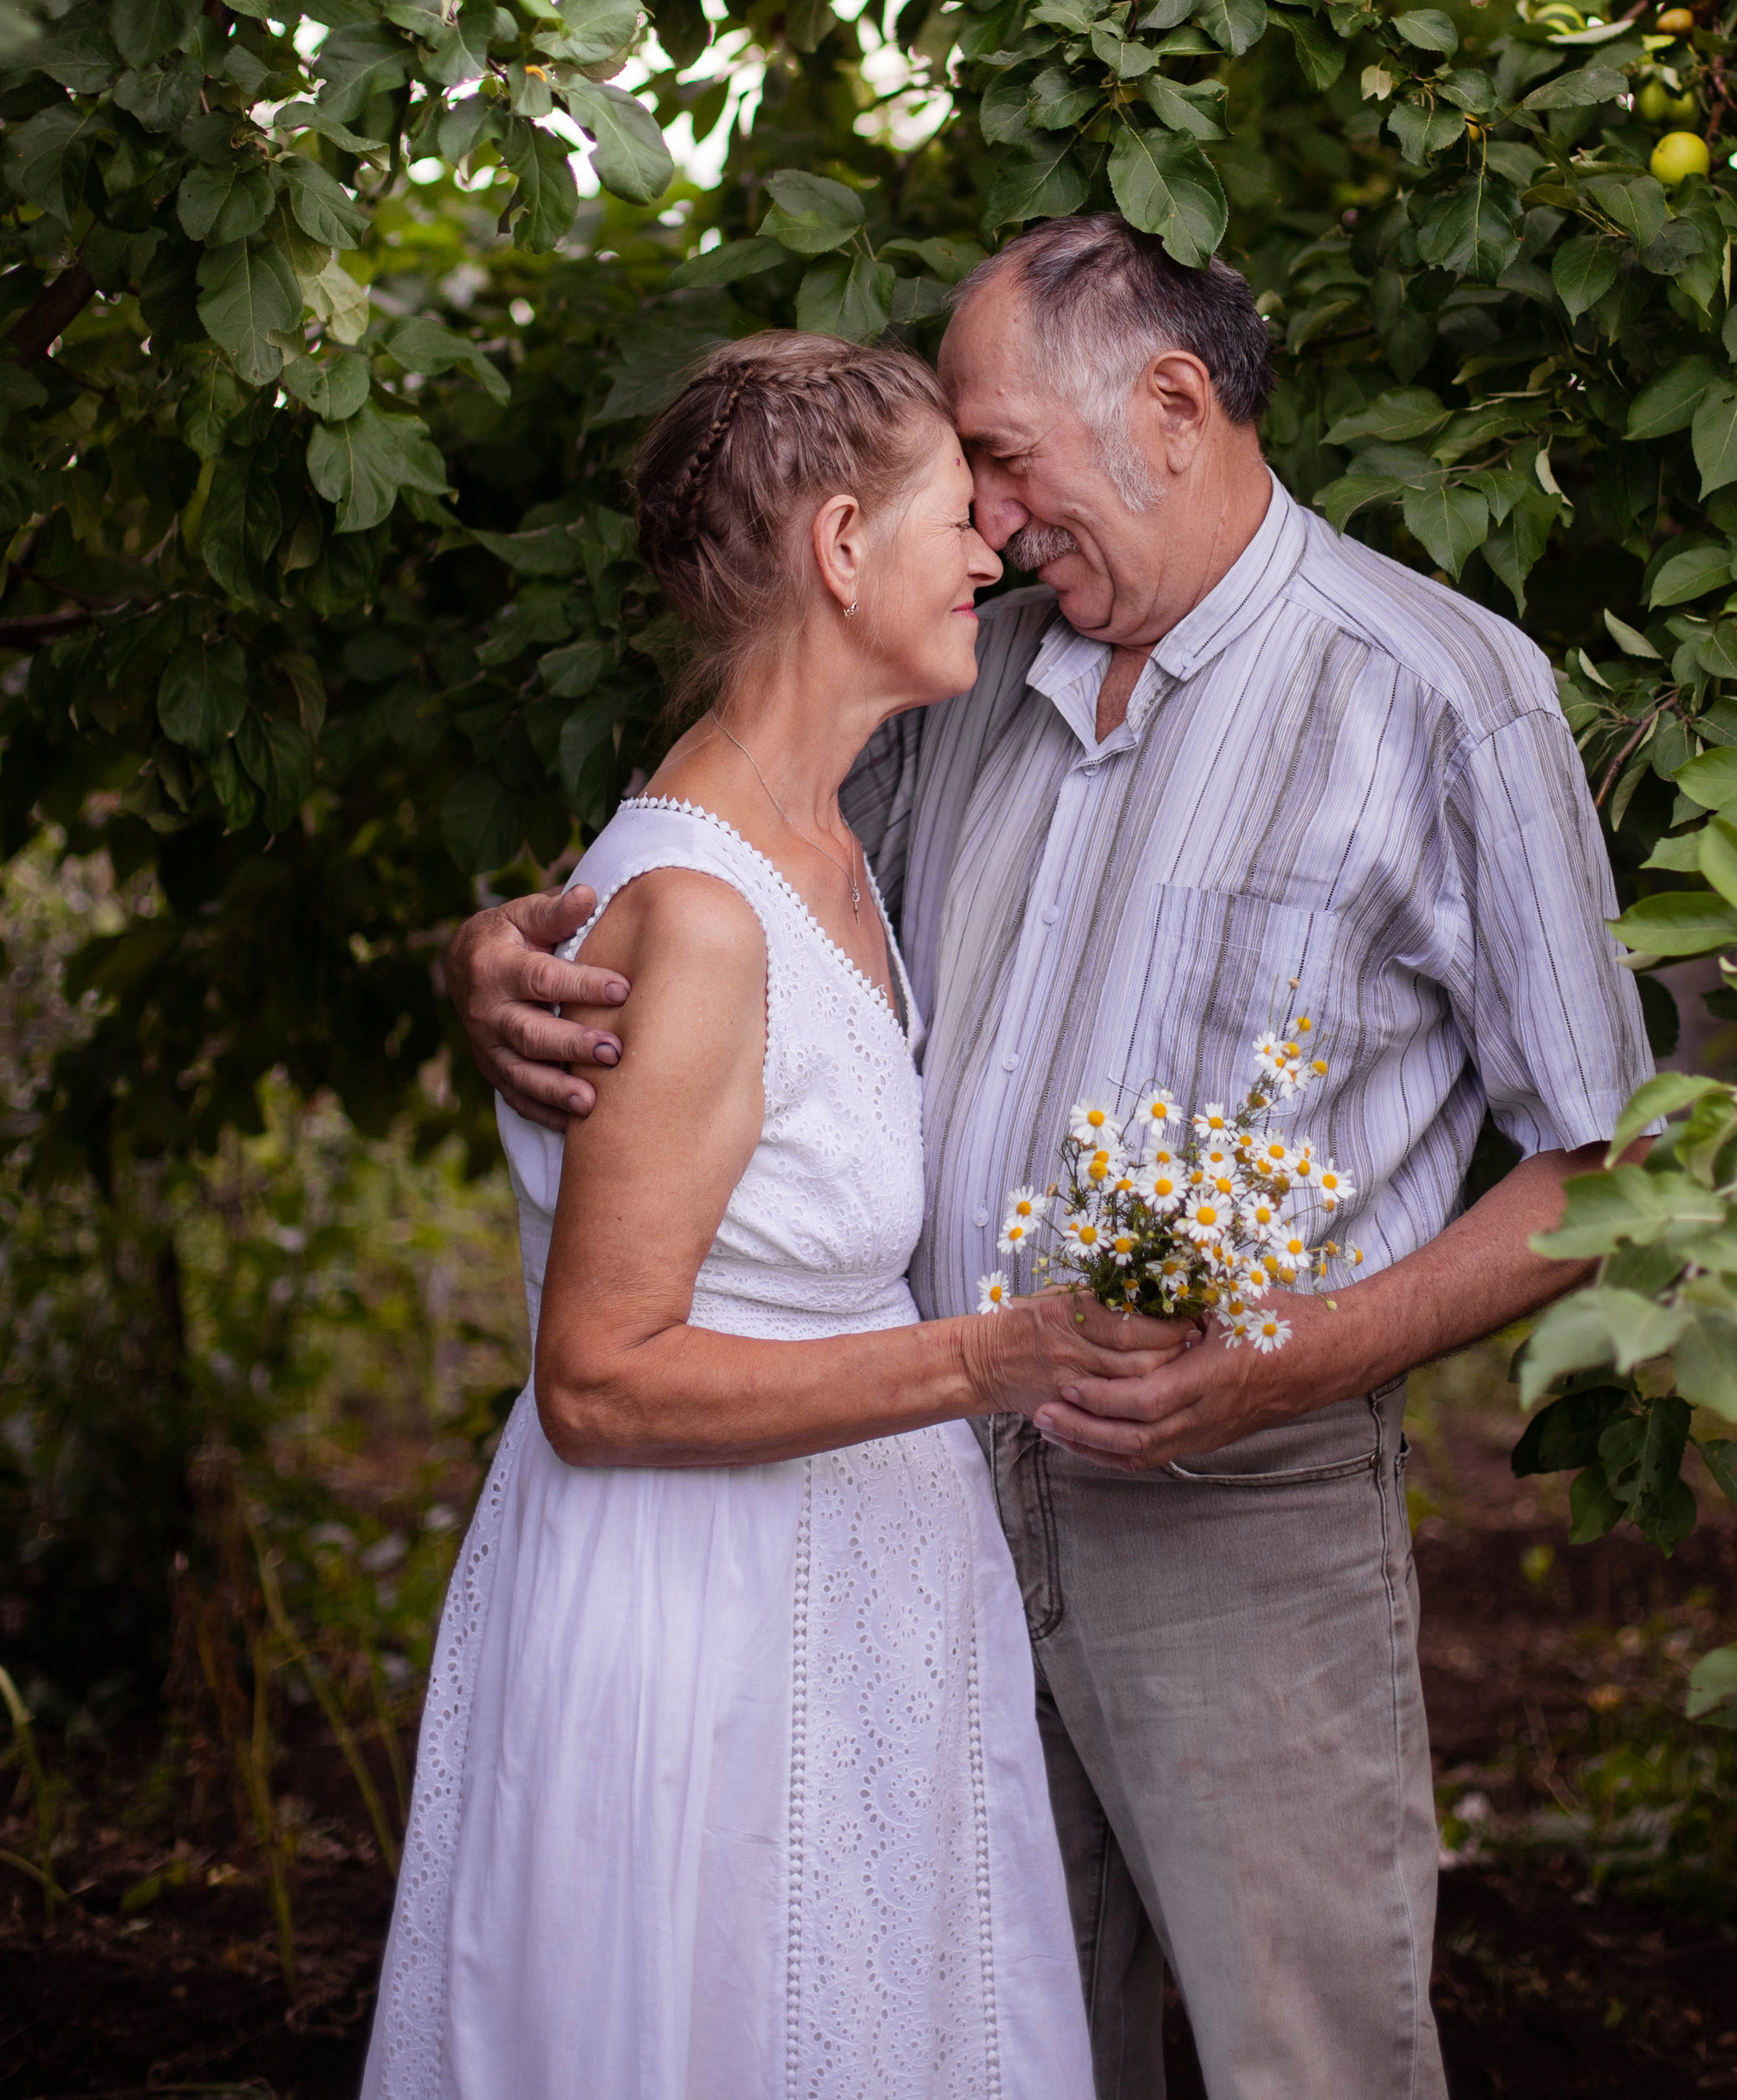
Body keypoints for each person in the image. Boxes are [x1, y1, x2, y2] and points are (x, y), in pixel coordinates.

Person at [451, 216, 1652, 2100]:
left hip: (1235, 1519)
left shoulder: (1438, 695)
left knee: (1300, 2058)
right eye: (966, 478)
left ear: (1171, 408)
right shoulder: (963, 679)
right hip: (883, 1506)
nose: (993, 522)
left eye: (1001, 455)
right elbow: (720, 890)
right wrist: (498, 951)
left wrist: (1292, 1355)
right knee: (988, 2035)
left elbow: (1611, 1167)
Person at [366, 329, 1185, 2100]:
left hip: (853, 1588)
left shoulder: (832, 838)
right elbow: (598, 1381)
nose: (987, 552)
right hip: (697, 1619)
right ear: (838, 549)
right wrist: (1006, 1350)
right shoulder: (706, 909)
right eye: (952, 518)